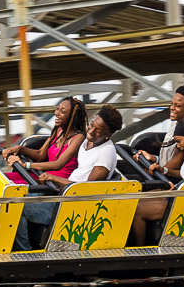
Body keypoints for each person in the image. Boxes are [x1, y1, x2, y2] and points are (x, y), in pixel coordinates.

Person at [14, 106, 123, 251]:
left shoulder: (105, 154)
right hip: (63, 195)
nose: (91, 131)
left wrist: (55, 179)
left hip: (73, 207)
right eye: (91, 125)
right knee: (14, 194)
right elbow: (57, 158)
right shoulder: (87, 142)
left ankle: (25, 253)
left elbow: (86, 190)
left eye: (98, 131)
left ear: (109, 134)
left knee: (15, 205)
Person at [128, 114, 184, 242]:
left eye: (179, 142)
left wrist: (176, 191)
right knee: (135, 199)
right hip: (180, 197)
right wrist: (163, 170)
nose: (179, 147)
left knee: (138, 210)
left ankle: (140, 250)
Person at [1, 97, 86, 187]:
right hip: (41, 176)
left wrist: (26, 165)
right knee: (2, 178)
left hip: (55, 184)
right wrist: (20, 148)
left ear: (74, 117)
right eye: (57, 109)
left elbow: (58, 164)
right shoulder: (58, 131)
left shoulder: (78, 137)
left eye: (63, 111)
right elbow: (40, 154)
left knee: (9, 186)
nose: (57, 113)